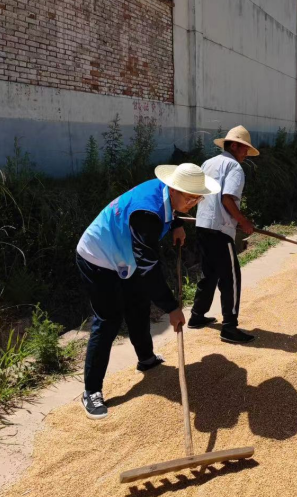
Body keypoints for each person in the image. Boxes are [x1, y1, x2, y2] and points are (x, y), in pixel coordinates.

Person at [76, 163, 219, 419]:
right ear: (173, 188)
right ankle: (91, 391)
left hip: (124, 256)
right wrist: (172, 307)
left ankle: (146, 358)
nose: (194, 203)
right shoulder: (148, 213)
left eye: (198, 197)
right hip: (98, 255)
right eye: (190, 197)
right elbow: (149, 267)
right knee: (108, 319)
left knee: (138, 304)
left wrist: (176, 223)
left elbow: (170, 212)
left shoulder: (167, 197)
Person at [188, 125, 258, 344]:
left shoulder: (208, 163)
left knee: (210, 273)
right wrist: (243, 221)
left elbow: (196, 194)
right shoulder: (234, 167)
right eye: (244, 149)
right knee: (231, 278)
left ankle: (197, 315)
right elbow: (227, 199)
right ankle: (229, 327)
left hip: (202, 225)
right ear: (234, 146)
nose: (246, 154)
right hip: (219, 229)